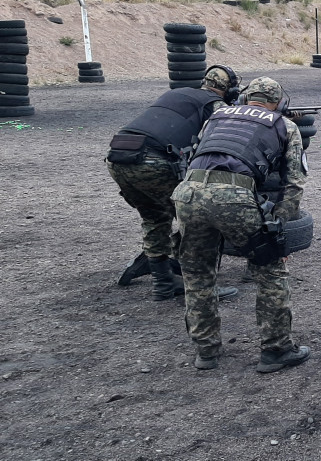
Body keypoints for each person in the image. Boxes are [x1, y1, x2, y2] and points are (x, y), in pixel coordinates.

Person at [171, 77, 309, 373]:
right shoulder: (285, 125)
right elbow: (294, 183)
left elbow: (195, 155)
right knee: (270, 270)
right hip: (233, 194)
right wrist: (279, 230)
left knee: (197, 273)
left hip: (187, 193)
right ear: (280, 103)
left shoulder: (216, 116)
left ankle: (206, 351)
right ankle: (277, 348)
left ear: (247, 98)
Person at [108, 65, 240, 301]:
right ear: (229, 90)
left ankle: (164, 283)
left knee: (155, 217)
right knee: (202, 218)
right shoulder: (214, 104)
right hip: (153, 161)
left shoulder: (177, 93)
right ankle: (201, 287)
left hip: (119, 157)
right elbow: (228, 135)